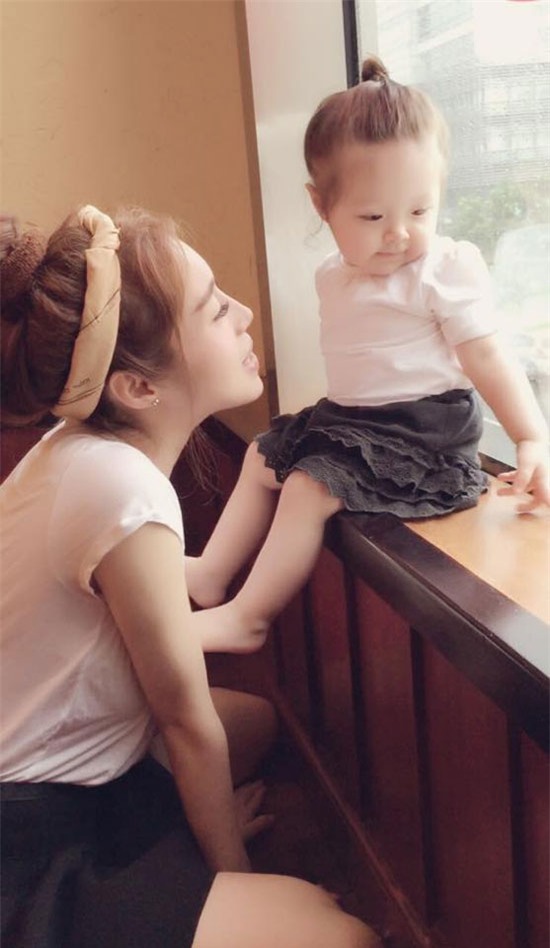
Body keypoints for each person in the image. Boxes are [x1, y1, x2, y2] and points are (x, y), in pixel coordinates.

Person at [0, 205, 381, 948]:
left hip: (75, 767)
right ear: (138, 389)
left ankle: (175, 844)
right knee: (340, 933)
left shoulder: (76, 452)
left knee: (254, 724)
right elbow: (184, 719)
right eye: (213, 308)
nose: (243, 314)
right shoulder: (120, 485)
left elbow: (176, 587)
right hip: (29, 830)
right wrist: (231, 871)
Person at [185, 57, 550, 653]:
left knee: (309, 486)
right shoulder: (335, 274)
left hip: (422, 435)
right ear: (320, 206)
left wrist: (530, 436)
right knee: (259, 454)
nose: (399, 233)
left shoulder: (442, 269)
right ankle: (210, 572)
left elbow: (485, 356)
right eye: (374, 216)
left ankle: (249, 616)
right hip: (354, 422)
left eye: (420, 211)